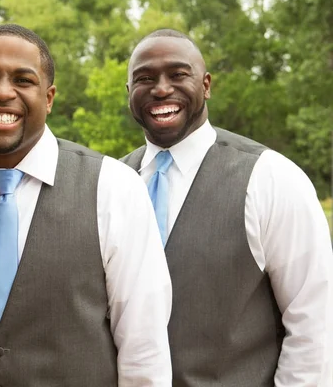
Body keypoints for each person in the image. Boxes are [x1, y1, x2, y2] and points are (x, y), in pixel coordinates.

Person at [0, 24, 173, 386]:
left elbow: (144, 351)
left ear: (49, 98)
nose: (2, 92)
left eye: (23, 80)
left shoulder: (114, 189)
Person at [121, 28, 333, 386]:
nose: (160, 88)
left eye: (177, 74)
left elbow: (314, 323)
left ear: (205, 85)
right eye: (144, 78)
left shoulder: (271, 177)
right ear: (129, 93)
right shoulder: (113, 184)